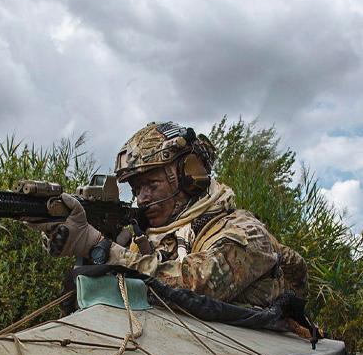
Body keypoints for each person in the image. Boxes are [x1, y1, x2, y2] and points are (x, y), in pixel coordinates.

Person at [33, 121, 307, 307]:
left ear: (190, 177)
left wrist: (101, 247)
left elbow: (197, 285)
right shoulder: (143, 233)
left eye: (152, 185)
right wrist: (75, 242)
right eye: (136, 188)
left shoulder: (243, 232)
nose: (142, 198)